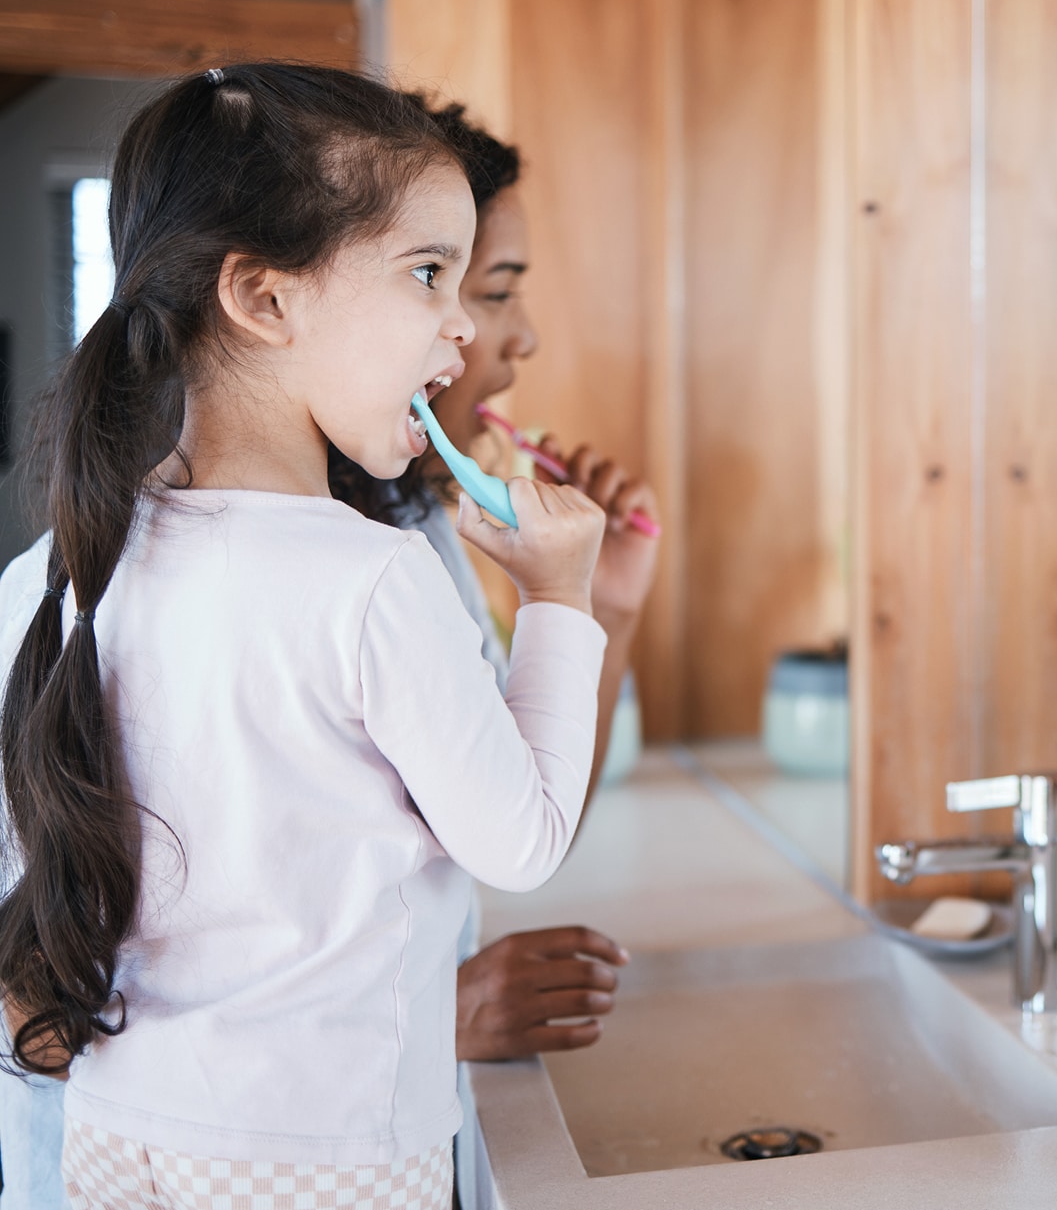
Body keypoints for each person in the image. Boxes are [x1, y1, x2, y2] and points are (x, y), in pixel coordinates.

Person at [0, 63, 606, 1205]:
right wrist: (562, 600)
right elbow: (519, 841)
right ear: (265, 299)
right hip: (324, 1156)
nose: (463, 330)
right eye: (430, 275)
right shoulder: (372, 578)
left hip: (117, 1136)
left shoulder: (73, 564)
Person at [328, 99, 657, 1207]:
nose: (507, 339)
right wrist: (438, 1012)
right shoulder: (103, 585)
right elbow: (42, 997)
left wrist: (601, 610)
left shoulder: (413, 529)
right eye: (482, 286)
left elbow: (522, 816)